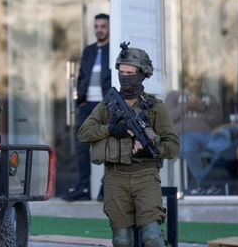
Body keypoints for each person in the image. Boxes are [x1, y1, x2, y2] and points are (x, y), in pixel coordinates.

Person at [78, 42, 179, 247]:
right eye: (121, 72)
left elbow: (173, 145)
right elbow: (84, 133)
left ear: (142, 74)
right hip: (116, 177)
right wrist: (111, 129)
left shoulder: (155, 108)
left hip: (145, 176)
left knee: (152, 237)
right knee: (122, 241)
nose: (125, 77)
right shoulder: (108, 105)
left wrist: (150, 150)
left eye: (130, 73)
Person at [63, 13, 112, 202]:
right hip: (86, 105)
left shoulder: (114, 48)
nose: (99, 29)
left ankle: (105, 188)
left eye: (103, 26)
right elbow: (83, 75)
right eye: (97, 26)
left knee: (107, 146)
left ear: (109, 28)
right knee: (82, 146)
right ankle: (83, 188)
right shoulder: (89, 50)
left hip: (105, 105)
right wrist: (80, 98)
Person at [164, 72, 225, 194]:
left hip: (208, 136)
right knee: (188, 149)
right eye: (193, 80)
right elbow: (167, 118)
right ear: (186, 80)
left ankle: (201, 185)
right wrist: (187, 105)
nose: (196, 84)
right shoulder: (174, 96)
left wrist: (205, 109)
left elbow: (217, 122)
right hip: (184, 136)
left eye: (199, 80)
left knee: (226, 148)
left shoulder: (209, 98)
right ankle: (205, 185)